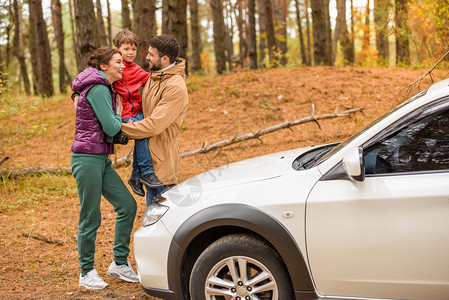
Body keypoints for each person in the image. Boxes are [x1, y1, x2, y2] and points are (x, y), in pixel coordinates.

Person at [71, 47, 138, 289]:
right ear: (104, 66)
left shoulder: (103, 87)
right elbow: (111, 127)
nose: (123, 65)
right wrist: (121, 115)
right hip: (87, 159)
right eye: (118, 62)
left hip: (100, 158)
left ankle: (119, 264)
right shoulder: (99, 88)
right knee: (91, 216)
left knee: (127, 206)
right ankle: (86, 272)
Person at [121, 35, 189, 206]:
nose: (147, 58)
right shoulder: (154, 77)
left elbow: (154, 125)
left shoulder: (175, 87)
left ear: (164, 59)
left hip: (162, 161)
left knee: (159, 217)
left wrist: (118, 129)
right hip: (147, 158)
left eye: (151, 55)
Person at [112, 29, 163, 198]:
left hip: (138, 111)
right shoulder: (114, 68)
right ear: (117, 49)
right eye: (126, 49)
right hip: (124, 113)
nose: (130, 52)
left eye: (133, 49)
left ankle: (135, 176)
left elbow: (153, 78)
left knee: (146, 134)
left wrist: (174, 74)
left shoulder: (136, 69)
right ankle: (146, 173)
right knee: (142, 133)